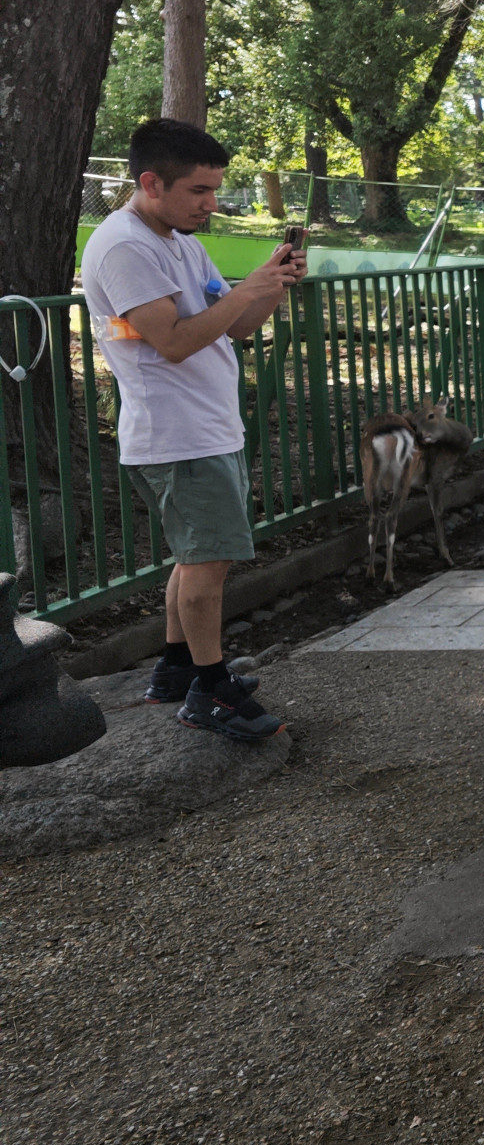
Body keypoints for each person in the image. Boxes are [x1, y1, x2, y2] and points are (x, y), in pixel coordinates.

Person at [81, 119, 305, 740]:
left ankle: (177, 668)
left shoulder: (179, 238)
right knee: (209, 566)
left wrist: (272, 285)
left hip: (208, 428)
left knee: (195, 558)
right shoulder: (126, 247)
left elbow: (232, 326)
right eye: (199, 192)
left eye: (214, 190)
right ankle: (211, 691)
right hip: (177, 435)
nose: (212, 205)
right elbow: (174, 342)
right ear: (151, 183)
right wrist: (247, 291)